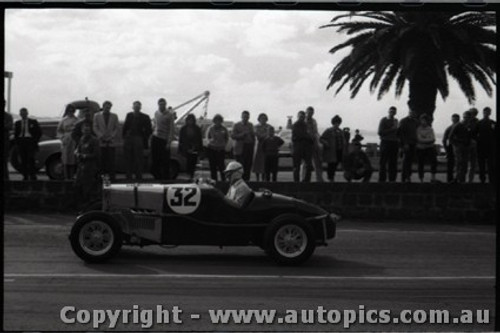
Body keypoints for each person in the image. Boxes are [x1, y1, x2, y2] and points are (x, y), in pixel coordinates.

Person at [122, 101, 152, 180]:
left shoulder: (145, 117)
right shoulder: (129, 115)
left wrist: (143, 137)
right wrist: (124, 137)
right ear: (133, 107)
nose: (136, 108)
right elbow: (125, 127)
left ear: (140, 108)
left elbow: (149, 130)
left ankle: (139, 176)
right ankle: (129, 176)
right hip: (129, 139)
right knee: (128, 158)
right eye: (135, 107)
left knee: (138, 159)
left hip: (139, 139)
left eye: (138, 107)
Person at [74, 123, 100, 207]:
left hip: (90, 166)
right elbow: (77, 149)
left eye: (88, 130)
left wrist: (85, 156)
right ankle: (80, 204)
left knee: (88, 186)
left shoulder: (94, 140)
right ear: (82, 131)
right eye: (85, 130)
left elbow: (96, 154)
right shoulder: (81, 139)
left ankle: (88, 205)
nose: (86, 132)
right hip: (81, 166)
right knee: (78, 185)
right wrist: (77, 153)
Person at [93, 101, 119, 181]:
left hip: (111, 142)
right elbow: (95, 127)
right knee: (101, 161)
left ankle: (112, 178)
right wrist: (101, 136)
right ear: (103, 106)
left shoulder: (114, 116)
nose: (107, 108)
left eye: (109, 107)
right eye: (106, 107)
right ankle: (102, 178)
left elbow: (116, 128)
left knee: (111, 161)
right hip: (101, 142)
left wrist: (111, 136)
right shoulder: (97, 115)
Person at [14, 108, 42, 180]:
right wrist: (17, 143)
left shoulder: (33, 122)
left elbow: (39, 132)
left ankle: (32, 175)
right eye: (21, 113)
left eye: (24, 113)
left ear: (27, 113)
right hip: (21, 141)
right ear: (20, 114)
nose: (23, 115)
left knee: (31, 158)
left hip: (30, 141)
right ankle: (25, 175)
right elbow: (16, 134)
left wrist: (34, 141)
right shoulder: (17, 123)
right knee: (23, 159)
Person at [151, 98, 175, 180]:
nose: (162, 106)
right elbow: (155, 125)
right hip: (156, 138)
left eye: (163, 104)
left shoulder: (170, 114)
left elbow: (172, 129)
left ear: (165, 104)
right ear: (158, 104)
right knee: (155, 160)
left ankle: (166, 178)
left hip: (164, 139)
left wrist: (169, 142)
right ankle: (157, 178)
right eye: (160, 104)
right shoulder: (156, 113)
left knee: (165, 161)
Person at [320, 115, 346, 182]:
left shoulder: (341, 131)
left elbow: (343, 141)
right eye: (336, 122)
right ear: (333, 123)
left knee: (337, 164)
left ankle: (333, 177)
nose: (337, 124)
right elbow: (322, 138)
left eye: (338, 123)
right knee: (331, 165)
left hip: (339, 151)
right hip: (332, 151)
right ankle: (330, 178)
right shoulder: (329, 130)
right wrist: (326, 143)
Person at [231, 110, 255, 181]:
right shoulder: (236, 125)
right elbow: (232, 136)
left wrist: (252, 142)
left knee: (248, 165)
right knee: (240, 166)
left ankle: (247, 181)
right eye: (244, 116)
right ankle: (239, 181)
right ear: (241, 117)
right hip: (240, 148)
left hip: (249, 147)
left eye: (247, 117)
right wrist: (242, 134)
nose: (246, 118)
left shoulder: (250, 125)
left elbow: (252, 135)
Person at [57, 104, 79, 179]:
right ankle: (66, 176)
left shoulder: (77, 120)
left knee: (73, 158)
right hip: (66, 139)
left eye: (72, 110)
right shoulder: (63, 120)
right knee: (66, 158)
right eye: (69, 110)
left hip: (74, 139)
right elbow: (59, 130)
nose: (71, 112)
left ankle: (72, 175)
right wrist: (62, 137)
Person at [449, 111, 472, 183]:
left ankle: (462, 179)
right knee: (459, 163)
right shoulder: (458, 125)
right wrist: (456, 145)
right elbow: (450, 137)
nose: (466, 119)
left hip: (466, 147)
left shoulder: (469, 126)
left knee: (464, 163)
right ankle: (456, 178)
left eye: (467, 118)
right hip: (458, 148)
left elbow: (470, 137)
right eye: (465, 117)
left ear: (470, 118)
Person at [377, 106, 399, 182]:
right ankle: (382, 180)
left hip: (394, 143)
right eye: (391, 111)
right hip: (385, 142)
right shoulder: (383, 120)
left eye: (394, 111)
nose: (392, 113)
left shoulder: (396, 121)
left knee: (393, 162)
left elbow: (398, 132)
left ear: (395, 113)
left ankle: (392, 180)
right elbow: (380, 132)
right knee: (383, 162)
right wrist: (391, 129)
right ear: (388, 111)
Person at [397, 109, 419, 182]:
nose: (413, 114)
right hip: (406, 143)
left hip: (413, 143)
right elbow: (400, 133)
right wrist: (404, 143)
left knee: (410, 161)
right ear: (409, 113)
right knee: (405, 161)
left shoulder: (416, 122)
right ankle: (404, 177)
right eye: (411, 112)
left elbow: (417, 132)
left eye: (414, 113)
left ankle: (408, 176)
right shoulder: (403, 121)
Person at [179, 114, 203, 179]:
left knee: (193, 164)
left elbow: (199, 140)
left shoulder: (197, 129)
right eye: (189, 120)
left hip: (194, 149)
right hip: (186, 149)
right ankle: (187, 177)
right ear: (187, 120)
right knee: (187, 165)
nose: (190, 121)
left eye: (192, 120)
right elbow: (181, 140)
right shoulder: (183, 129)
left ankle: (191, 177)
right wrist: (181, 149)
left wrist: (199, 150)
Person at [291, 111, 314, 182]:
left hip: (306, 148)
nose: (302, 118)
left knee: (308, 166)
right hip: (298, 148)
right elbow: (297, 136)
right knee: (296, 166)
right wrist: (306, 136)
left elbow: (311, 136)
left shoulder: (306, 125)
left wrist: (308, 137)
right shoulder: (295, 125)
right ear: (298, 117)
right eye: (301, 116)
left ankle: (306, 181)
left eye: (303, 117)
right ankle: (296, 182)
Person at [206, 114, 229, 181]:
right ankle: (214, 181)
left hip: (220, 149)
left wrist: (223, 144)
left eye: (219, 120)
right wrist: (210, 142)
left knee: (222, 167)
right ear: (214, 121)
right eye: (216, 120)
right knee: (213, 166)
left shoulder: (224, 128)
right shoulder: (210, 128)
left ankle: (223, 181)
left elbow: (227, 138)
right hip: (212, 149)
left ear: (221, 121)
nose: (218, 122)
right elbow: (207, 138)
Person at [416, 114, 438, 183]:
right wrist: (427, 140)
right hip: (420, 148)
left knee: (433, 162)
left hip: (429, 148)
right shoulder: (418, 129)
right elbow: (419, 139)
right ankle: (421, 179)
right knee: (420, 163)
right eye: (422, 120)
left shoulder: (430, 128)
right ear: (420, 121)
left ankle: (433, 178)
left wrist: (424, 139)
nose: (424, 122)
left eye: (425, 120)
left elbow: (433, 139)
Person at [476, 107, 496, 184]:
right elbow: (474, 134)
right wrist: (478, 140)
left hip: (491, 147)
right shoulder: (479, 123)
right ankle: (482, 180)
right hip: (481, 146)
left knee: (491, 164)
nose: (487, 113)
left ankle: (492, 180)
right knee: (481, 164)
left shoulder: (493, 123)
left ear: (490, 113)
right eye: (485, 112)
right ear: (483, 113)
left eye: (488, 112)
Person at [305, 106, 324, 182]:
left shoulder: (314, 121)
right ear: (306, 112)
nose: (310, 114)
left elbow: (316, 132)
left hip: (314, 143)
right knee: (305, 163)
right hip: (306, 144)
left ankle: (319, 179)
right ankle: (303, 179)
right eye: (309, 112)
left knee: (317, 162)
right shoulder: (303, 121)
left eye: (311, 113)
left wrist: (320, 139)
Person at [252, 113, 272, 181]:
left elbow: (270, 134)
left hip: (266, 146)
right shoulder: (256, 127)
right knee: (257, 162)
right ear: (259, 119)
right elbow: (258, 135)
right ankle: (257, 178)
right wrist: (265, 134)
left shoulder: (269, 126)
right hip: (258, 147)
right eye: (261, 118)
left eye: (264, 118)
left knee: (264, 162)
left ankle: (263, 178)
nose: (263, 120)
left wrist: (265, 135)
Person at [442, 114, 460, 183]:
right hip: (451, 148)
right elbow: (444, 140)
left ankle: (455, 179)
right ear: (452, 119)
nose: (455, 120)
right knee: (451, 165)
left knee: (458, 164)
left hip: (458, 147)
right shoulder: (449, 128)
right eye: (454, 119)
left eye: (456, 119)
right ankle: (450, 179)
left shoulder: (460, 127)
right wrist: (446, 150)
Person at [467, 108, 479, 182]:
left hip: (474, 144)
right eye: (471, 113)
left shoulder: (478, 122)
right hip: (465, 144)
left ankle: (470, 180)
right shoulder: (465, 122)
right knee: (463, 163)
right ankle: (461, 179)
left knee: (473, 163)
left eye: (474, 113)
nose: (472, 115)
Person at [4, 101, 13, 181]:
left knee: (4, 160)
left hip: (5, 141)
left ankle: (6, 178)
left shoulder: (8, 116)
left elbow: (10, 126)